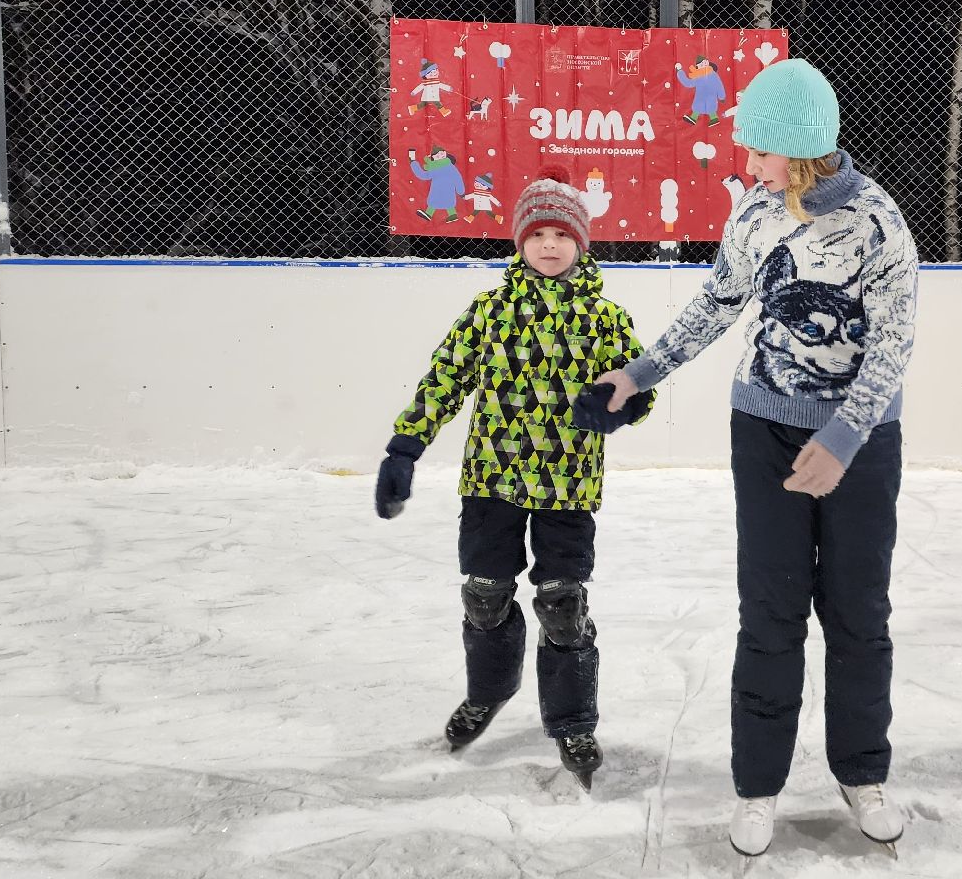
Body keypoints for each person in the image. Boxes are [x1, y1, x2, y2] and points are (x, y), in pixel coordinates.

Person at [591, 59, 919, 855]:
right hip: (764, 432)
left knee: (856, 613)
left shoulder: (879, 225)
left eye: (759, 152)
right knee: (769, 614)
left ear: (799, 150)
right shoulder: (753, 214)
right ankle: (758, 786)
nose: (748, 165)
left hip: (860, 443)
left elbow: (893, 346)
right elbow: (718, 302)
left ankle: (862, 772)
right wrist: (639, 374)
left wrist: (842, 441)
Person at [375, 165, 654, 790]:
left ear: (581, 241)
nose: (548, 245)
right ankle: (490, 690)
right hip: (491, 482)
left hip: (567, 485)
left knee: (563, 604)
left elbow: (639, 385)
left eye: (561, 233)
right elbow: (444, 378)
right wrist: (405, 447)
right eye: (537, 234)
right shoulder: (490, 310)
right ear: (519, 241)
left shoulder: (604, 316)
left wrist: (623, 405)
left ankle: (573, 720)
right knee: (484, 594)